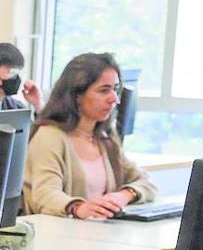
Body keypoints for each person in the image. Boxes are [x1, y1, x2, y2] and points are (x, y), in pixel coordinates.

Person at [23, 52, 157, 218]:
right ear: (76, 95)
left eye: (115, 89)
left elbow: (147, 183)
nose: (114, 99)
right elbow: (44, 194)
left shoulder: (105, 137)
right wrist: (78, 207)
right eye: (104, 91)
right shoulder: (50, 136)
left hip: (98, 234)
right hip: (59, 237)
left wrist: (124, 195)